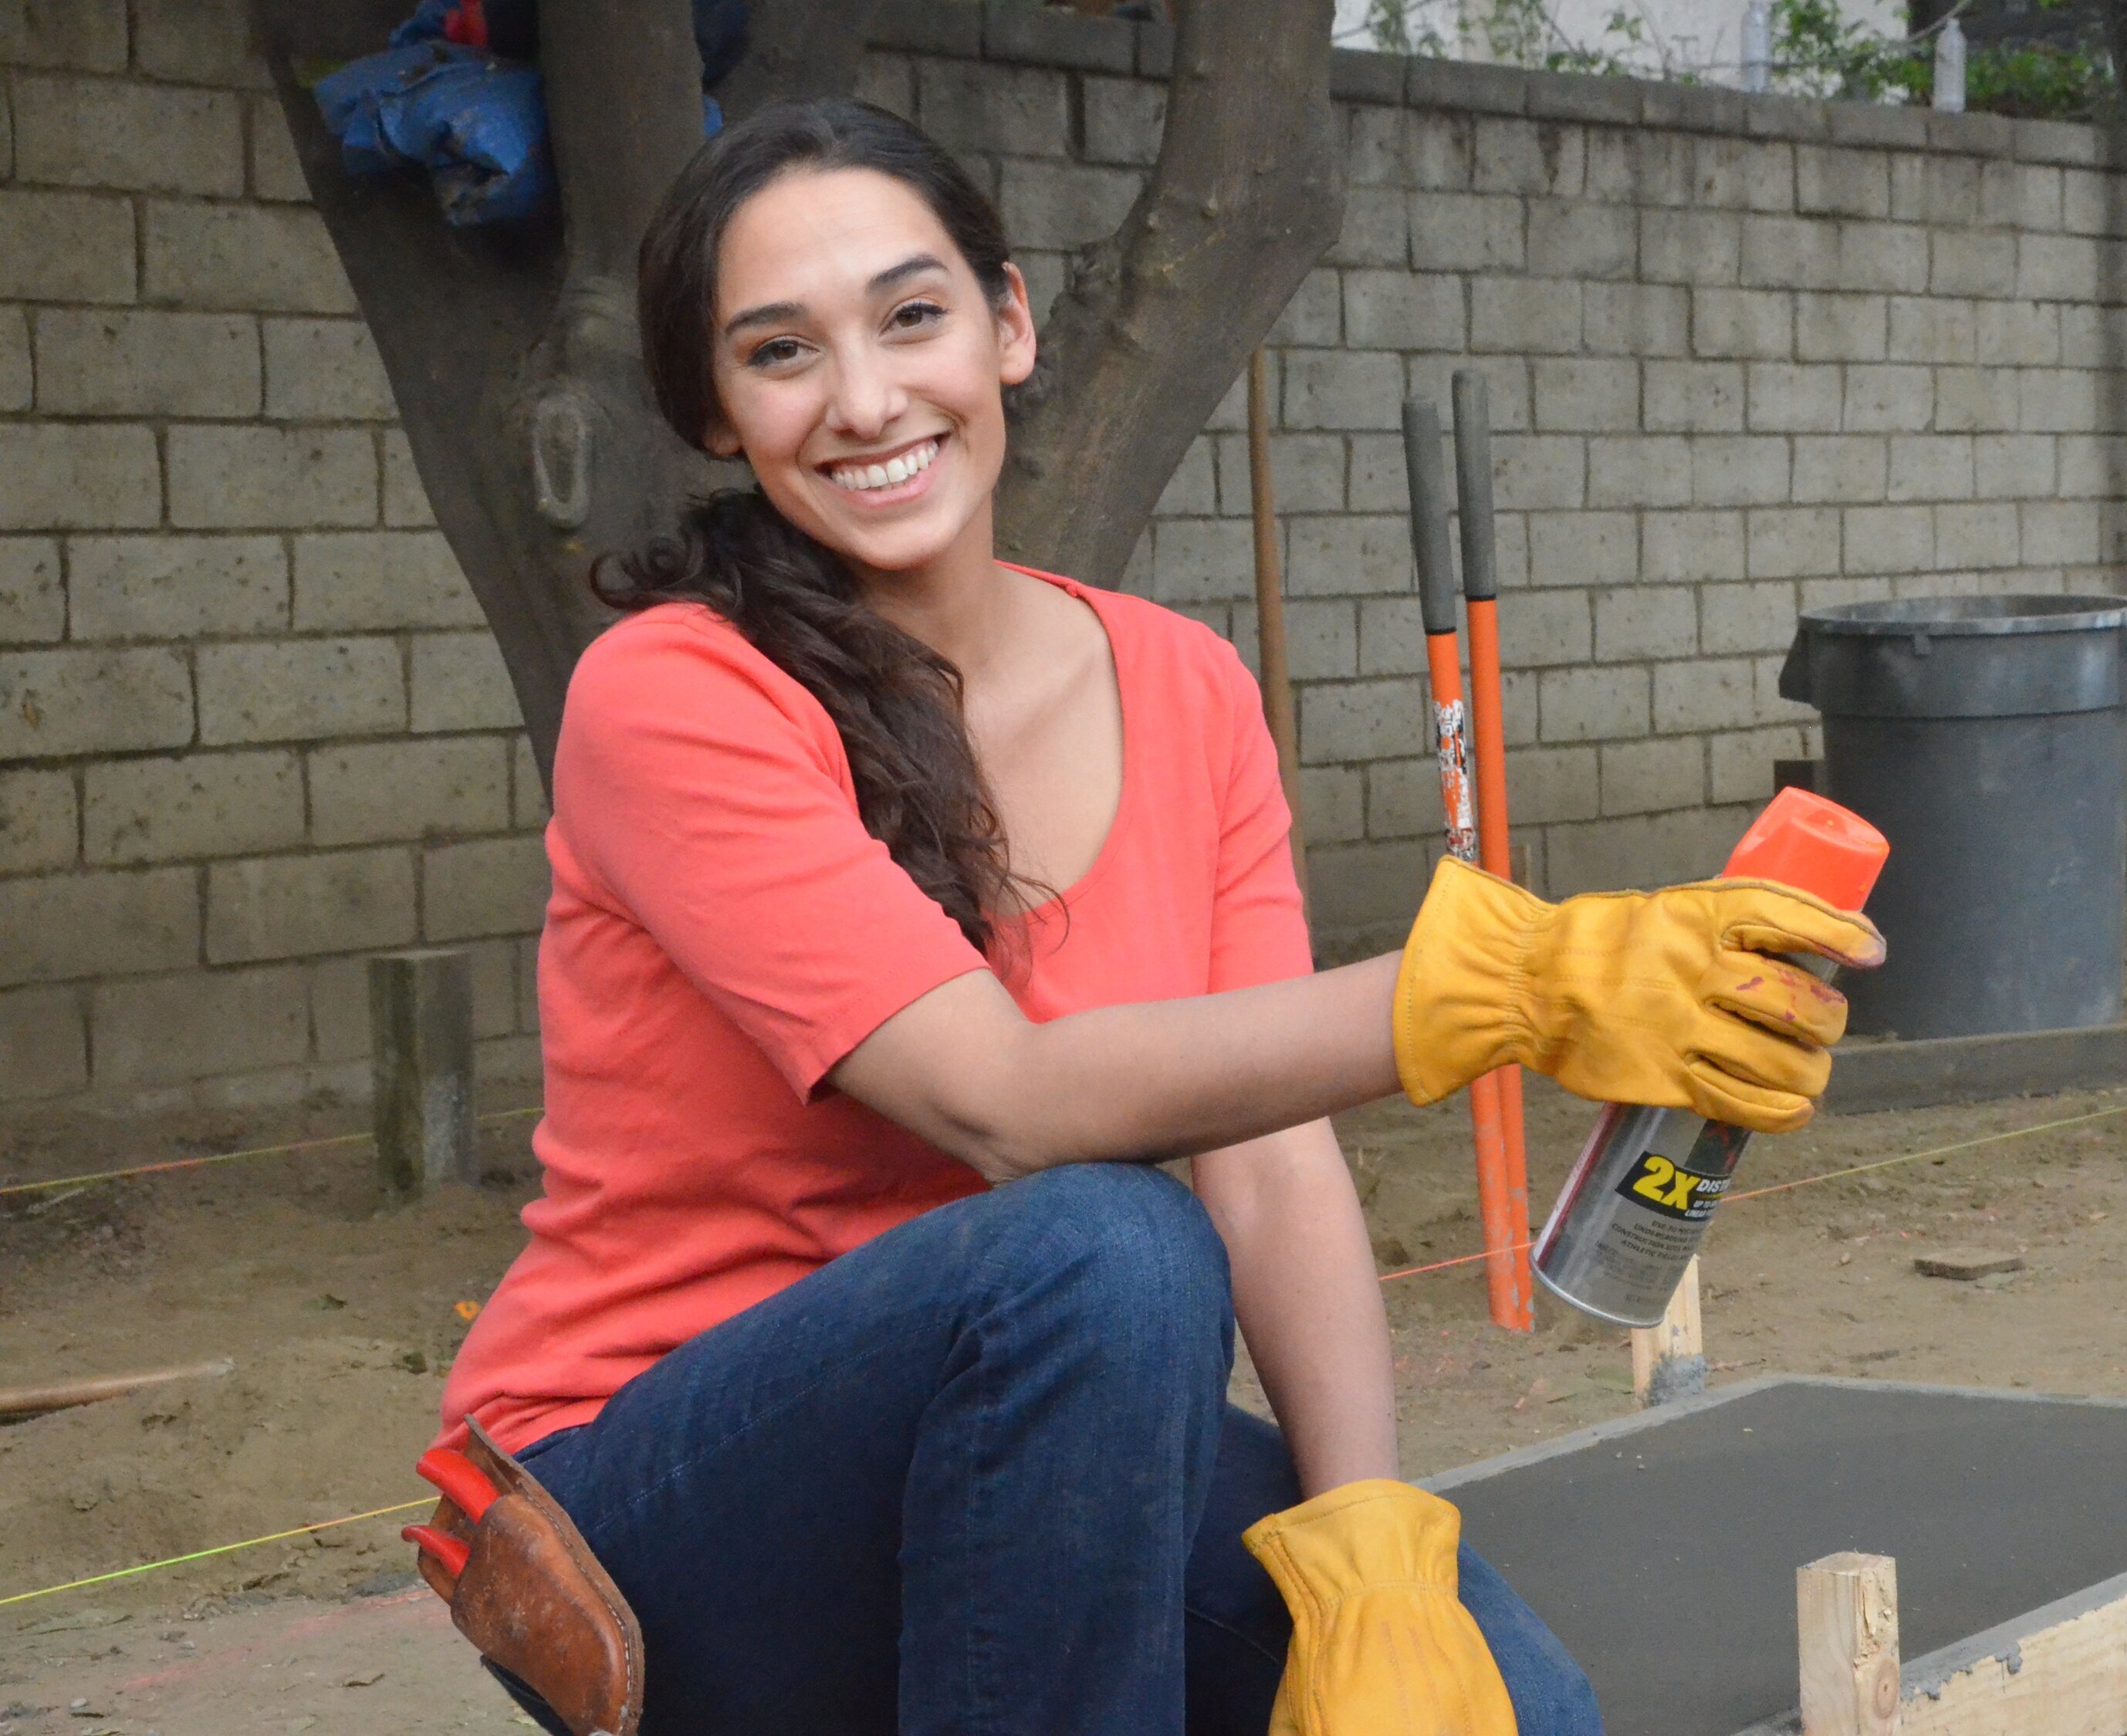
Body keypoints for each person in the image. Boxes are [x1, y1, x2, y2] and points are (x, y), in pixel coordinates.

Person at [430, 96, 1880, 1736]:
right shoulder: (675, 693)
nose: (862, 399)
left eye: (912, 318)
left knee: (1515, 1711)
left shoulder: (1180, 685)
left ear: (1009, 324)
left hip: (1033, 1445)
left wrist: (1366, 1561)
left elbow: (1265, 1155)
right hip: (648, 1505)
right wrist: (1511, 984)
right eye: (780, 353)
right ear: (714, 416)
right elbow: (1000, 1103)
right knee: (1107, 1241)